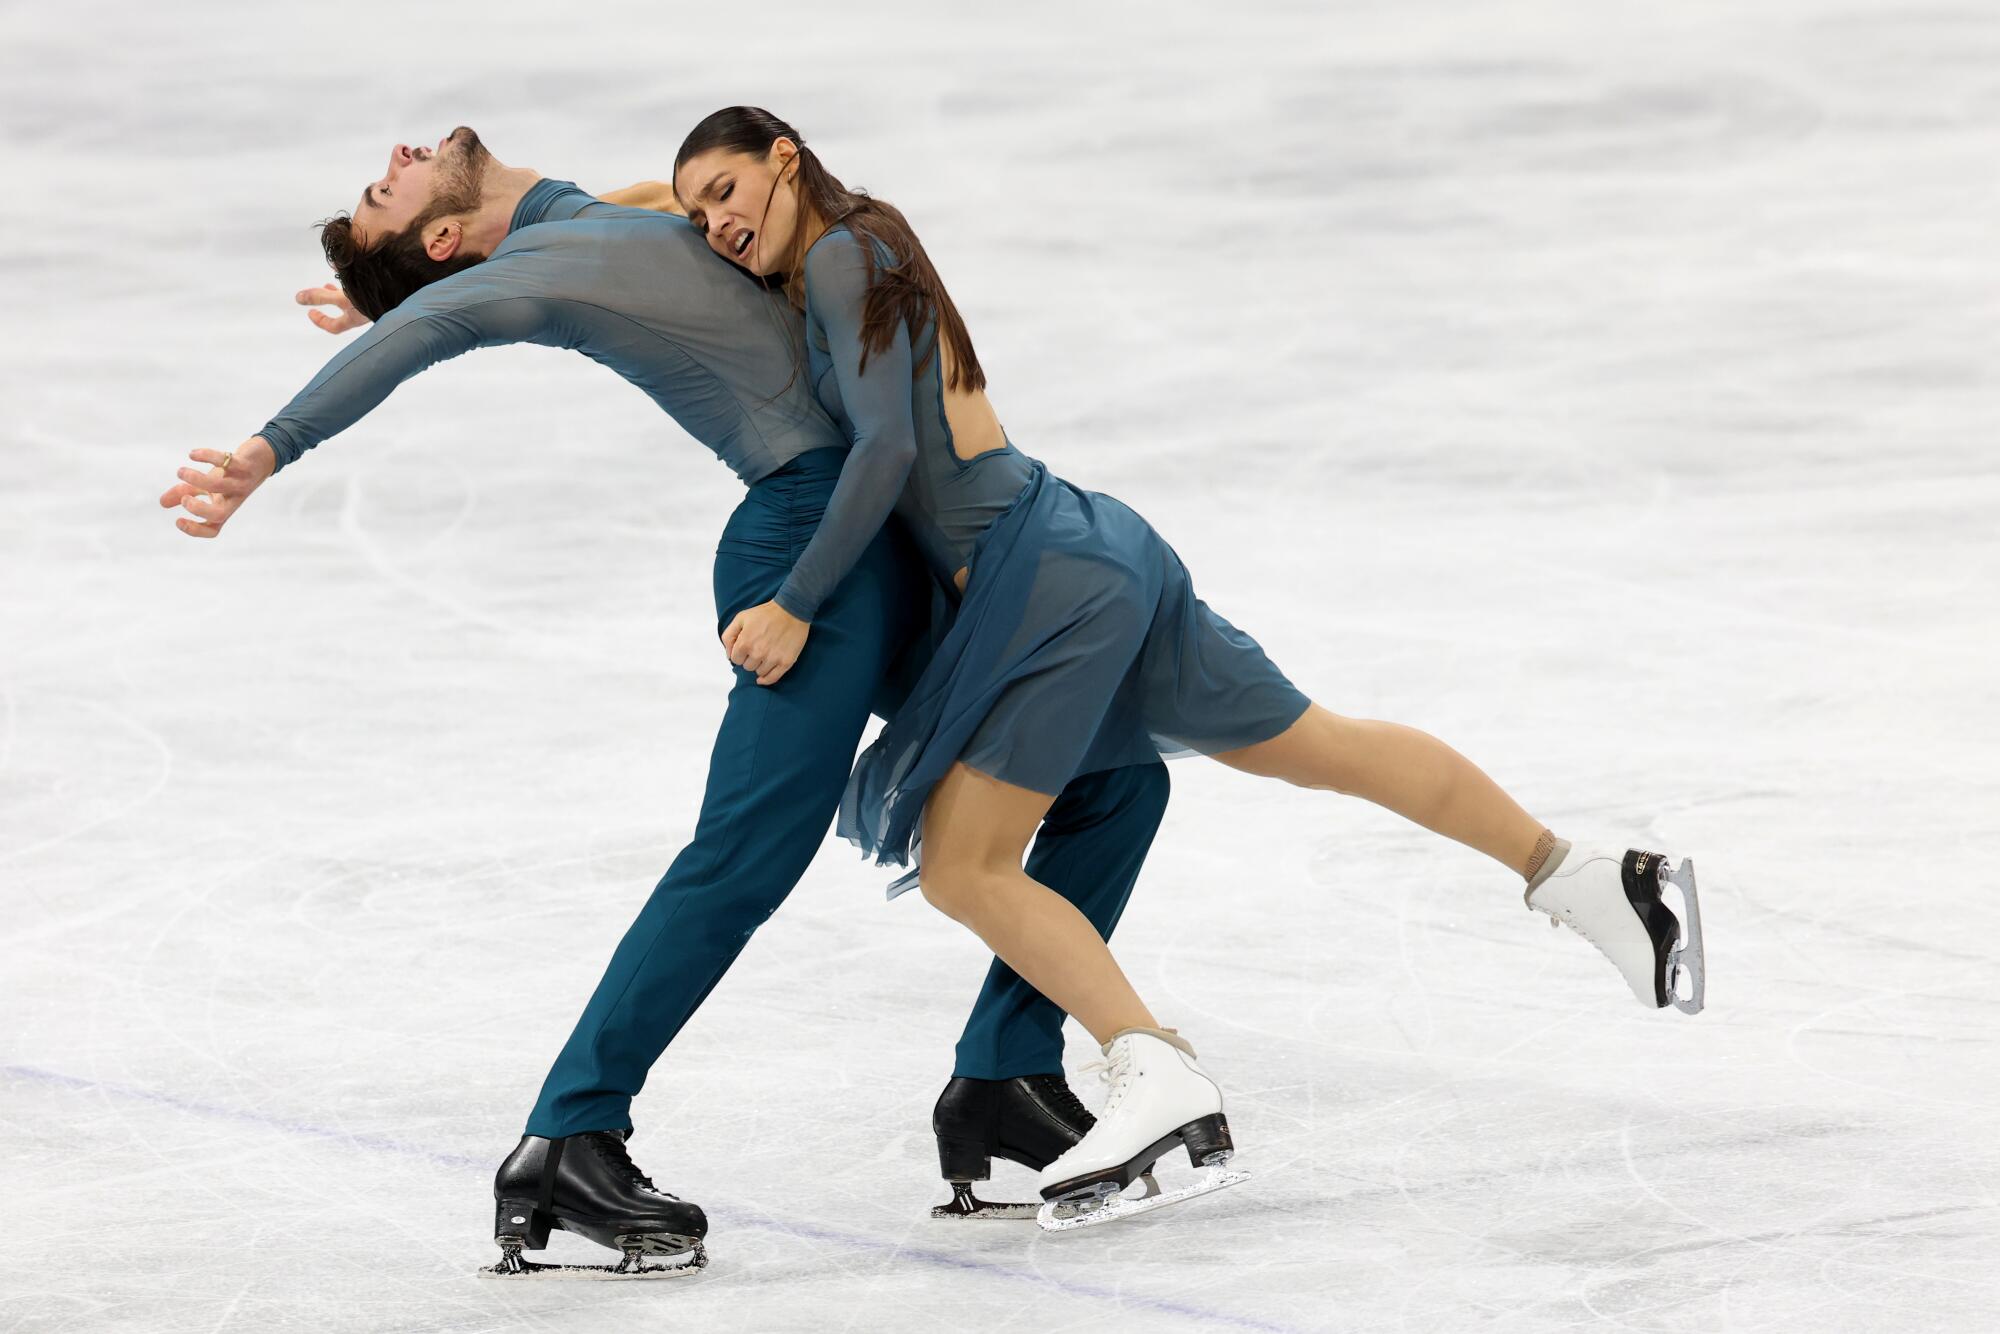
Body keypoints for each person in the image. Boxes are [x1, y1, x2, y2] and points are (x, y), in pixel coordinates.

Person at [155, 126, 1182, 1271]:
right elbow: (430, 331)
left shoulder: (575, 218)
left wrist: (389, 293)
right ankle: (569, 1135)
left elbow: (606, 227)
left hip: (875, 541)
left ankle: (1001, 1077)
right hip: (806, 550)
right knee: (748, 846)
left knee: (1113, 775)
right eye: (380, 190)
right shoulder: (530, 270)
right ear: (444, 238)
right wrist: (271, 444)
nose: (393, 151)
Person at [671, 108, 1707, 1226]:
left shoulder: (832, 255)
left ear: (785, 158)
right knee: (1321, 745)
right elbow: (697, 205)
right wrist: (584, 204)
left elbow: (883, 450)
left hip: (1039, 586)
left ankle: (1151, 1065)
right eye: (694, 212)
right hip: (1084, 541)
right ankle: (1586, 874)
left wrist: (793, 602)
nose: (715, 225)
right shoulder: (869, 232)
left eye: (725, 191)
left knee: (965, 865)